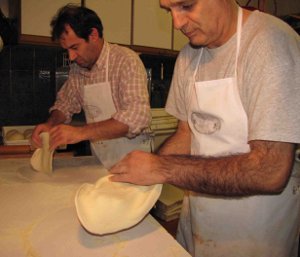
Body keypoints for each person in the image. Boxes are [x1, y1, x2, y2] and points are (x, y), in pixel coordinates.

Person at [109, 0, 300, 256]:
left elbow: (271, 170)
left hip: (255, 230)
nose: (177, 23)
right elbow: (186, 134)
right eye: (169, 11)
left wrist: (163, 168)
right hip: (198, 218)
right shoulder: (190, 55)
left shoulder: (270, 42)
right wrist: (141, 175)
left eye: (186, 6)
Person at [31, 4, 152, 168]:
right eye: (67, 50)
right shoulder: (77, 70)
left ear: (93, 35)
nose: (71, 57)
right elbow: (65, 104)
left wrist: (80, 133)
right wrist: (51, 124)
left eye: (75, 47)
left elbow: (137, 116)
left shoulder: (125, 60)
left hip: (136, 161)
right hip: (101, 161)